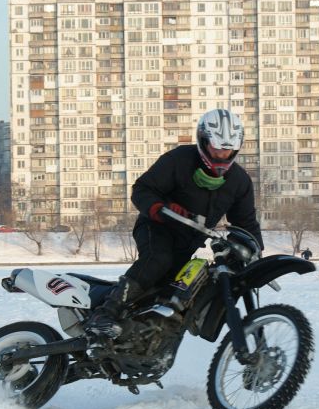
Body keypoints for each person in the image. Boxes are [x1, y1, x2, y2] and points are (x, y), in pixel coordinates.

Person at [86, 108, 264, 338]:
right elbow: (142, 189)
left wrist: (255, 252)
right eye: (216, 148)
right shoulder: (179, 160)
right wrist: (162, 209)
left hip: (189, 242)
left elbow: (245, 223)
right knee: (158, 259)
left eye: (228, 149)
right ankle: (105, 313)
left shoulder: (239, 181)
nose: (221, 155)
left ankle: (142, 334)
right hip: (156, 227)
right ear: (203, 141)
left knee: (181, 291)